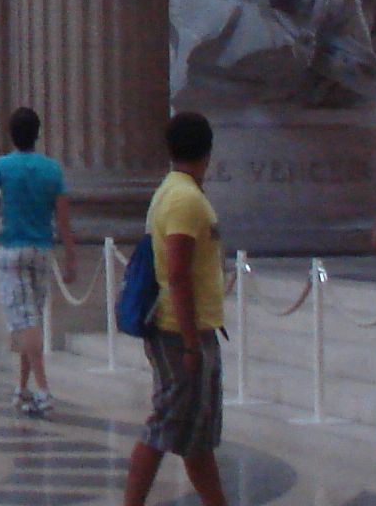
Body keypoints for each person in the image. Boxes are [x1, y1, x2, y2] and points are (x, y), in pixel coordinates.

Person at [122, 112, 228, 506]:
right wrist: (189, 344)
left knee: (194, 434)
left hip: (188, 328)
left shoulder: (174, 190)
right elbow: (179, 274)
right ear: (208, 150)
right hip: (179, 331)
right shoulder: (185, 199)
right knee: (165, 424)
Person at [0, 106, 79, 417]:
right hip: (42, 249)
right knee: (31, 318)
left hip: (12, 249)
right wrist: (70, 256)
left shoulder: (3, 166)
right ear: (38, 134)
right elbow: (64, 219)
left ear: (11, 135)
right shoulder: (52, 170)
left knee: (24, 321)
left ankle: (42, 389)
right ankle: (21, 387)